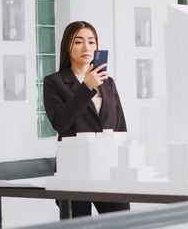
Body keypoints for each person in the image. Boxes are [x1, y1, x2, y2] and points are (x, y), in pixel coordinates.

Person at [43, 21, 129, 217]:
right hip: (74, 171)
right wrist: (86, 88)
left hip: (108, 170)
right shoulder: (54, 82)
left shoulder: (108, 82)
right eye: (79, 42)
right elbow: (60, 123)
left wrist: (125, 166)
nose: (86, 47)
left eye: (91, 42)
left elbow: (120, 127)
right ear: (67, 46)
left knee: (123, 222)